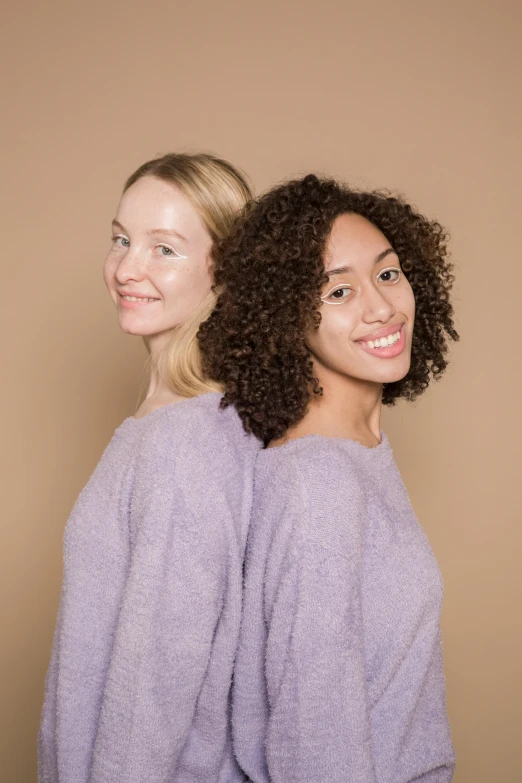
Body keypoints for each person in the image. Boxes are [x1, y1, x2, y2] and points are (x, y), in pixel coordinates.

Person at [199, 174, 459, 782]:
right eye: (338, 292)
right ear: (284, 320)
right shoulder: (319, 483)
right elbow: (313, 745)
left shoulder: (355, 458)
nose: (381, 307)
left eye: (388, 273)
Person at [38, 153, 260, 783]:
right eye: (121, 239)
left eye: (164, 248)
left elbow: (151, 696)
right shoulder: (167, 426)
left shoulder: (184, 443)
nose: (127, 267)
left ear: (226, 272)